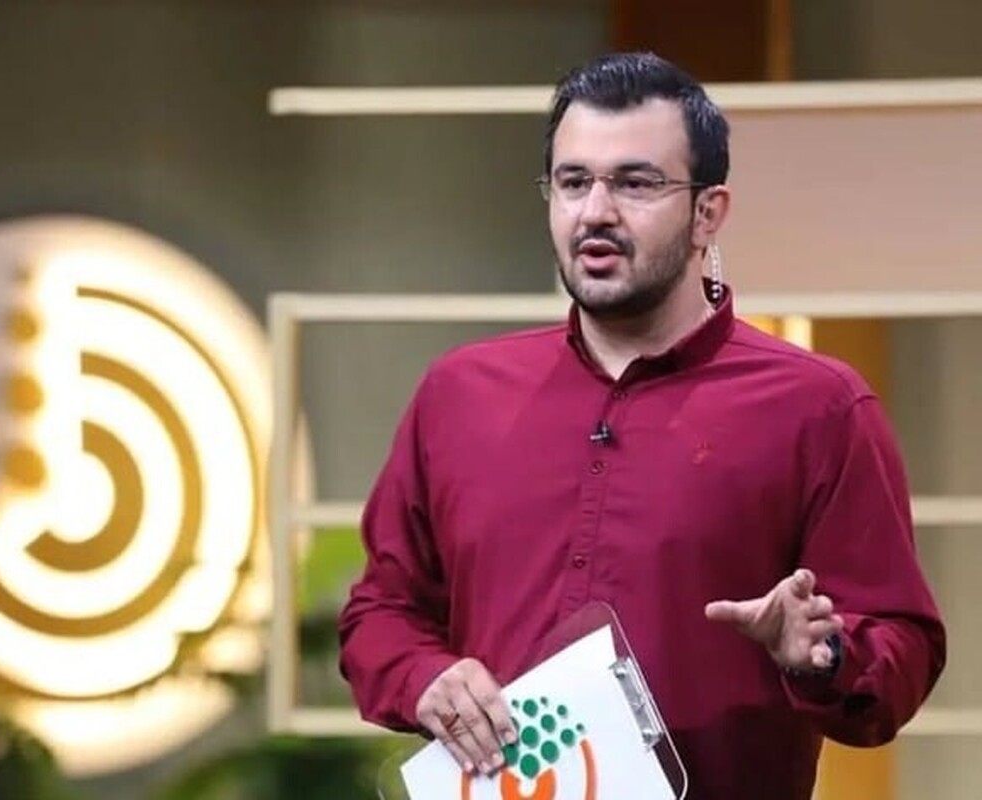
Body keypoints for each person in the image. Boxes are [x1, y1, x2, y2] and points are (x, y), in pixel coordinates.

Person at [336, 52, 946, 799]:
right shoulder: (460, 395)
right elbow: (380, 613)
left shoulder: (818, 408)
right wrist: (424, 676)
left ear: (707, 213)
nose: (595, 211)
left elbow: (903, 648)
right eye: (573, 182)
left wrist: (821, 656)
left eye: (636, 183)